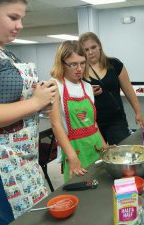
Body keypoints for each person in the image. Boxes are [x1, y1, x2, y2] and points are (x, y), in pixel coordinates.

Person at [0, 0, 57, 223]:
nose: (20, 25)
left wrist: (40, 100)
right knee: (34, 220)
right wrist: (35, 103)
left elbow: (9, 103)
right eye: (13, 17)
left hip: (15, 156)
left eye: (22, 18)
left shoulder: (0, 51)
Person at [49, 40, 108, 182]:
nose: (79, 69)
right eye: (73, 64)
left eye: (82, 63)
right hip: (74, 150)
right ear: (62, 63)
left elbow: (93, 123)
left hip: (95, 146)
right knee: (79, 188)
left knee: (99, 186)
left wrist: (104, 146)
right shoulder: (55, 86)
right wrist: (72, 157)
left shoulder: (87, 87)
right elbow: (56, 125)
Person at [78, 32, 144, 145]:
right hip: (92, 122)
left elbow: (128, 90)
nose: (90, 52)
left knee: (122, 154)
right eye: (86, 49)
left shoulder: (115, 64)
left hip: (116, 121)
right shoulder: (80, 71)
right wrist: (89, 93)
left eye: (93, 47)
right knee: (97, 160)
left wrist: (138, 111)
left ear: (99, 46)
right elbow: (75, 98)